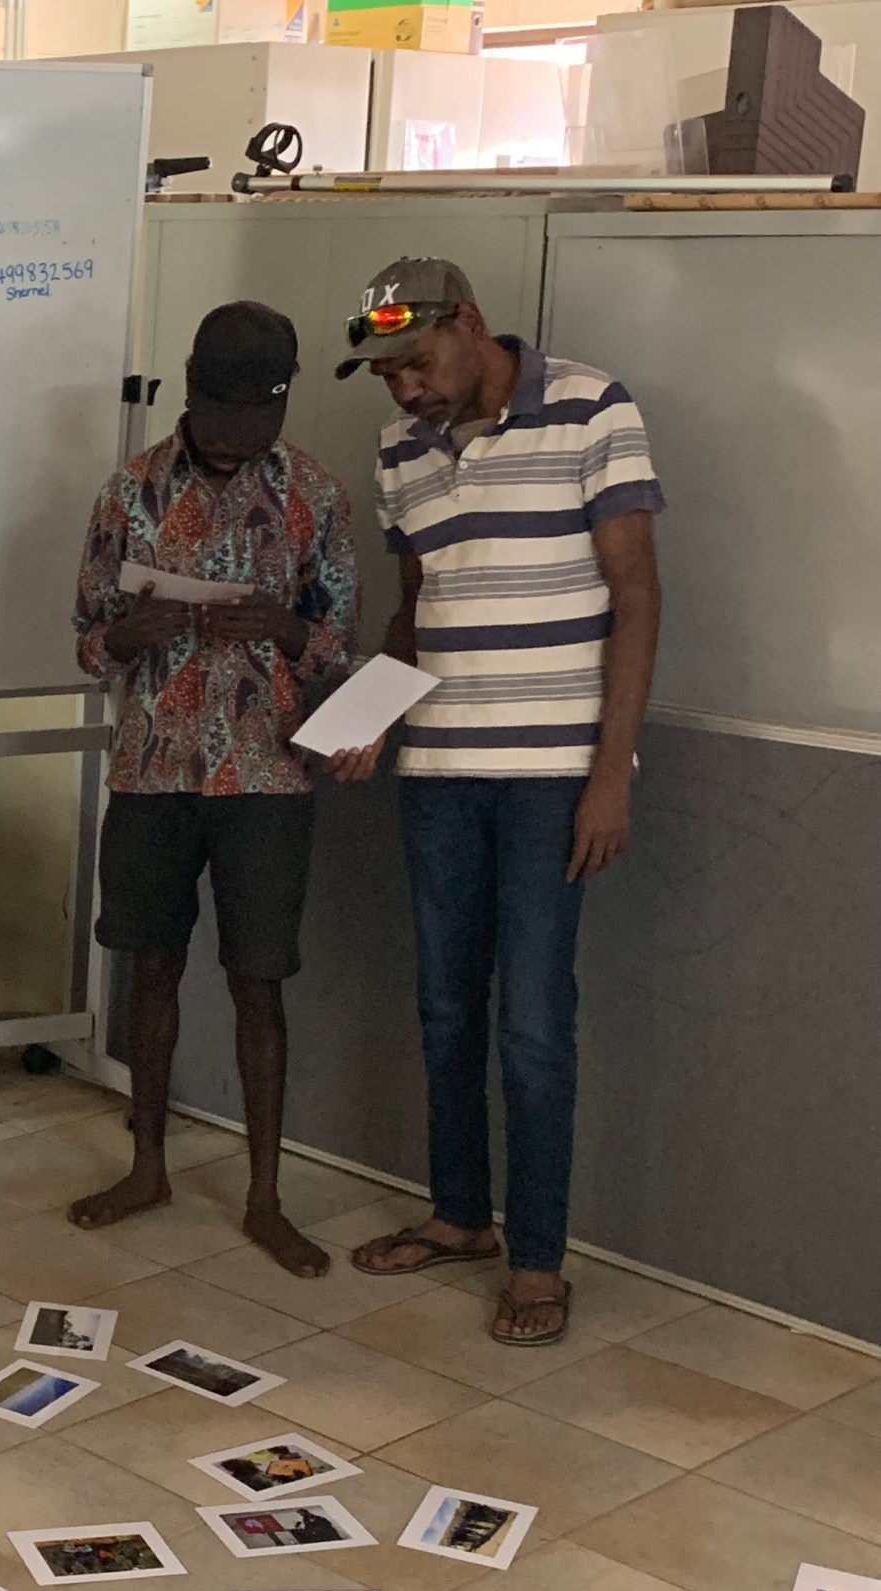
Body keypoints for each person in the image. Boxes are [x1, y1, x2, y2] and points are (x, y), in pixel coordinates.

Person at [334, 256, 664, 1346]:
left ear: (470, 323)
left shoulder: (591, 407)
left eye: (416, 363)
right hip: (438, 770)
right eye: (386, 374)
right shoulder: (401, 449)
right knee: (444, 1004)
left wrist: (609, 773)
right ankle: (460, 1215)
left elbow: (636, 595)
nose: (404, 389)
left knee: (532, 1019)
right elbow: (417, 607)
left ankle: (537, 1259)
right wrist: (372, 716)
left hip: (551, 776)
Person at [65, 302, 362, 1277]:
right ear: (192, 390)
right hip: (152, 765)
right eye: (222, 414)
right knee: (148, 967)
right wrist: (126, 637)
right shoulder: (131, 491)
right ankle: (146, 1167)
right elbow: (86, 637)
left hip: (266, 772)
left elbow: (339, 643)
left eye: (257, 416)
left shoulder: (314, 494)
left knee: (257, 980)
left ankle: (265, 1198)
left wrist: (285, 628)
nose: (237, 436)